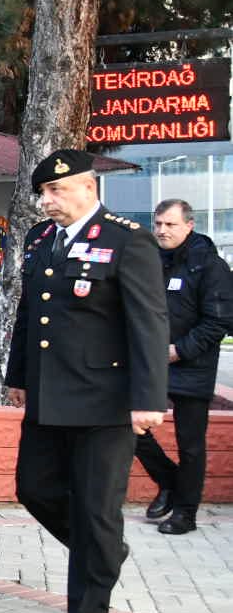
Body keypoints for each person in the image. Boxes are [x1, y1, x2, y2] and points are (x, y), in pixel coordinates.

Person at [6, 149, 168, 613]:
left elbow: (148, 323)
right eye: (43, 193)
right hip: (49, 398)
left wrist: (148, 399)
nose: (46, 201)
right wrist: (17, 375)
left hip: (105, 404)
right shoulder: (41, 240)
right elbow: (30, 313)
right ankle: (104, 554)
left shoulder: (127, 239)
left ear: (87, 188)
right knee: (34, 489)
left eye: (55, 191)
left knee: (97, 511)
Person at [132, 199, 231, 535]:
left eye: (170, 225)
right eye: (158, 224)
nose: (162, 230)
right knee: (125, 424)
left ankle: (185, 513)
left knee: (190, 444)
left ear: (189, 225)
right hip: (150, 362)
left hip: (192, 366)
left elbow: (218, 322)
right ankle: (170, 481)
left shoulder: (210, 266)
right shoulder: (148, 260)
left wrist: (178, 351)